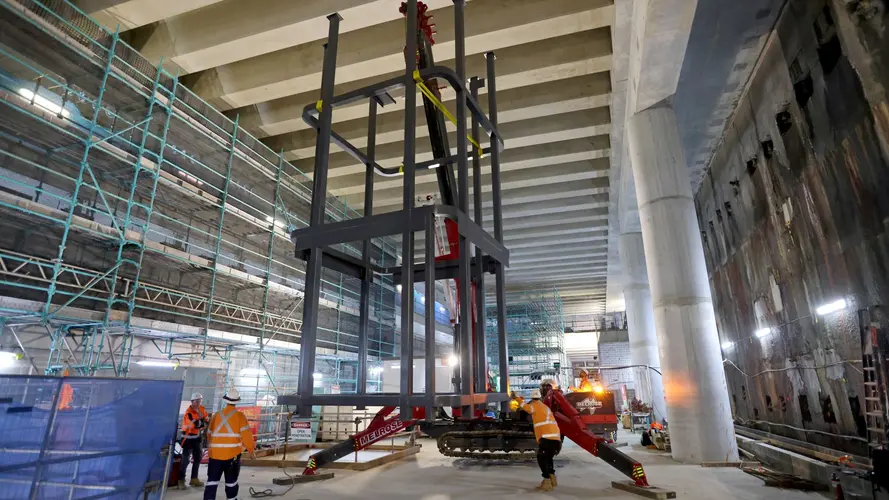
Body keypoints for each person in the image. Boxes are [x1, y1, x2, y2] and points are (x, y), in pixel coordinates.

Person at [204, 388, 256, 500]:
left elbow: (208, 434)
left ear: (226, 400)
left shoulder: (216, 415)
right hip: (232, 457)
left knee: (212, 482)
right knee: (231, 483)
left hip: (215, 456)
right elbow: (247, 437)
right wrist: (251, 451)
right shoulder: (240, 416)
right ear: (237, 401)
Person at [520, 388, 561, 491]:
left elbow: (527, 408)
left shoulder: (535, 406)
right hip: (555, 438)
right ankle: (552, 480)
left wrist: (518, 399)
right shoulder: (545, 407)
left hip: (547, 438)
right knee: (548, 458)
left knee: (541, 458)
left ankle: (546, 481)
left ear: (532, 399)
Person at [179, 392, 209, 489]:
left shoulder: (201, 409)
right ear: (192, 401)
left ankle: (194, 479)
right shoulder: (188, 413)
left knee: (197, 459)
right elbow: (196, 424)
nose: (198, 403)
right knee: (185, 461)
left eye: (200, 401)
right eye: (196, 401)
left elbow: (207, 420)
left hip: (197, 439)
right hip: (187, 440)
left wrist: (203, 422)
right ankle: (181, 480)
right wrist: (202, 422)